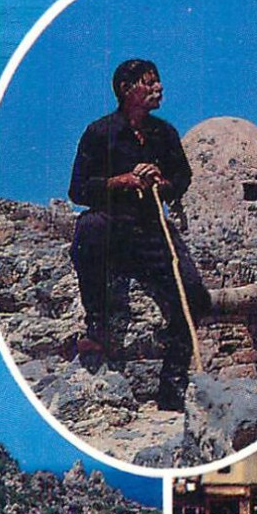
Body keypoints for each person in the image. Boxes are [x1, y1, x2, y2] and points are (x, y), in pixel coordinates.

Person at [68, 58, 211, 412]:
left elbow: (181, 179)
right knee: (88, 228)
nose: (158, 88)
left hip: (151, 227)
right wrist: (123, 181)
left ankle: (172, 386)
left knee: (193, 295)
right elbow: (78, 190)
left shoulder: (165, 133)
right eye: (149, 83)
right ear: (125, 90)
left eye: (157, 82)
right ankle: (96, 325)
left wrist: (159, 180)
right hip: (113, 224)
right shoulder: (100, 133)